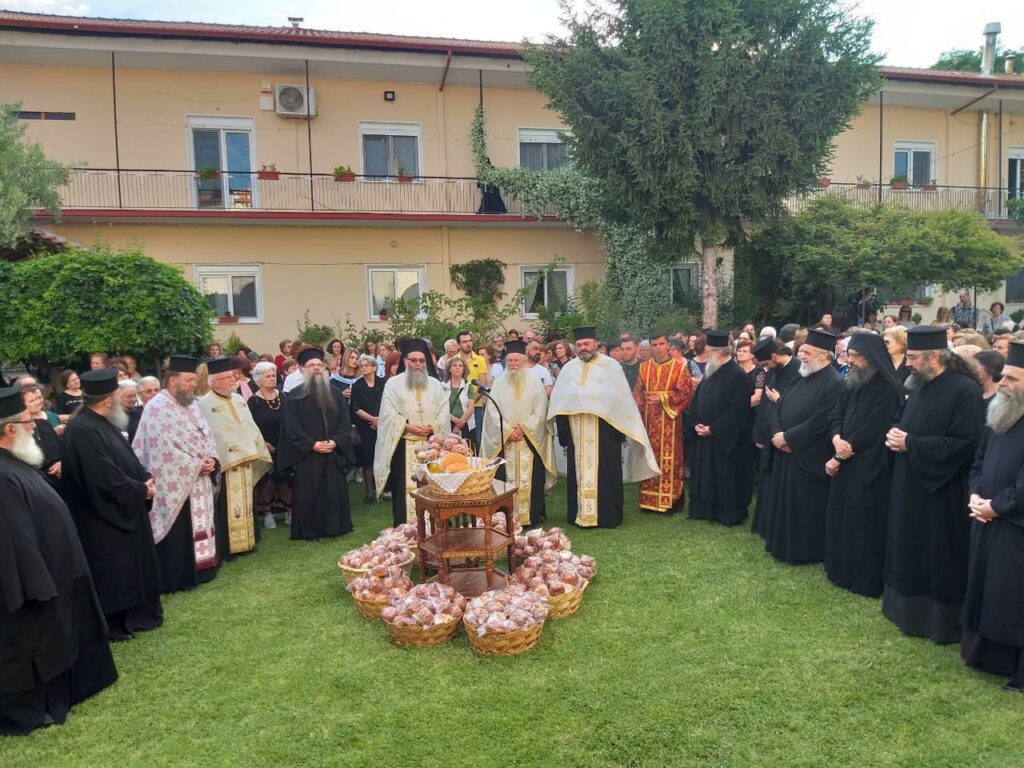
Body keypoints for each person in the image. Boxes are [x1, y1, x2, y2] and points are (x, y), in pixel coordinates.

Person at [0, 386, 119, 736]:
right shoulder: (3, 477)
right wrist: (38, 585)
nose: (35, 426)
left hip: (60, 575)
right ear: (9, 430)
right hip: (35, 591)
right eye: (27, 421)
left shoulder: (14, 464)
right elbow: (13, 539)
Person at [884, 326, 983, 644]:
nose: (908, 364)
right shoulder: (920, 384)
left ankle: (938, 622)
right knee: (907, 546)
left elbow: (964, 443)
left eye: (913, 358)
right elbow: (906, 419)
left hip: (941, 491)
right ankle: (905, 612)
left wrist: (911, 443)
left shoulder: (965, 391)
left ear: (935, 356)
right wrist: (897, 434)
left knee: (937, 554)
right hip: (909, 483)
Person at [62, 368, 161, 640]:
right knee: (114, 571)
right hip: (103, 517)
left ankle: (139, 614)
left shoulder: (104, 422)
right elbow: (102, 478)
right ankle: (118, 623)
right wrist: (140, 490)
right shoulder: (82, 430)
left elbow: (126, 458)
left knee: (133, 566)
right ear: (107, 400)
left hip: (126, 507)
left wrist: (145, 479)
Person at [549, 327, 659, 529]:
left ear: (595, 344)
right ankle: (579, 513)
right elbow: (560, 399)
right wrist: (564, 431)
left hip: (605, 432)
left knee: (607, 474)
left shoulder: (611, 366)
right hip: (578, 430)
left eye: (587, 344)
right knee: (578, 474)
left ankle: (608, 516)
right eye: (580, 345)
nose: (584, 348)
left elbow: (621, 399)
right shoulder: (568, 369)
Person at [961, 341, 1024, 691]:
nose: (1003, 384)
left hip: (1014, 524)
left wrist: (996, 506)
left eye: (1013, 379)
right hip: (987, 517)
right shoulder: (1002, 413)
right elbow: (979, 460)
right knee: (989, 590)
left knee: (1014, 597)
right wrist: (975, 495)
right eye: (1004, 377)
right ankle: (987, 655)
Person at [823, 333, 905, 597]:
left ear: (871, 357)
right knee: (842, 517)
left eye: (857, 357)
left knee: (864, 522)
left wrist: (842, 452)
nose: (852, 361)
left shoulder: (889, 389)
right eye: (851, 356)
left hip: (869, 465)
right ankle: (839, 570)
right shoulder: (853, 381)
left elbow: (872, 429)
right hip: (845, 458)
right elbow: (837, 412)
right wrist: (836, 438)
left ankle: (863, 578)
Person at [132, 356, 222, 593]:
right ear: (172, 381)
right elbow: (162, 450)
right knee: (180, 531)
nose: (194, 384)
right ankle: (180, 575)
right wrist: (195, 465)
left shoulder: (192, 403)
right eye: (189, 380)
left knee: (201, 523)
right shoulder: (156, 408)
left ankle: (204, 568)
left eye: (194, 380)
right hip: (175, 481)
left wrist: (212, 458)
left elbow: (207, 435)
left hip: (200, 478)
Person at [760, 329, 844, 564]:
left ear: (824, 356)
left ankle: (804, 552)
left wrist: (789, 438)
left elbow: (821, 420)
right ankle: (781, 546)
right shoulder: (801, 375)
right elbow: (780, 406)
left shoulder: (834, 383)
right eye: (801, 351)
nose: (802, 356)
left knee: (804, 506)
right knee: (785, 502)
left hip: (809, 454)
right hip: (786, 451)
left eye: (807, 352)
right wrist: (778, 433)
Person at [276, 348, 356, 539]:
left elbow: (345, 423)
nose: (316, 369)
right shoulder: (294, 396)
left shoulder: (336, 394)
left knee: (333, 491)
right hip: (308, 455)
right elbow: (291, 428)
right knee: (308, 494)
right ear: (302, 370)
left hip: (332, 453)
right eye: (311, 366)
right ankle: (309, 530)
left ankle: (335, 527)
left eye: (319, 365)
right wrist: (312, 444)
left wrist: (336, 442)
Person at [198, 357, 272, 556]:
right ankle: (228, 548)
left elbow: (250, 427)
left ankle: (248, 542)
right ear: (214, 381)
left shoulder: (239, 400)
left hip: (246, 460)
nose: (233, 381)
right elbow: (209, 434)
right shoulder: (204, 404)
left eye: (233, 377)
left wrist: (257, 448)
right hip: (225, 465)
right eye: (228, 377)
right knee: (225, 505)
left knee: (248, 501)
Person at [480, 340, 557, 527]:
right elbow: (492, 412)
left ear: (523, 361)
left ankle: (531, 516)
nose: (513, 364)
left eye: (517, 360)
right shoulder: (498, 383)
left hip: (528, 440)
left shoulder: (534, 382)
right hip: (505, 441)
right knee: (503, 478)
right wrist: (507, 430)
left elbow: (540, 410)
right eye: (510, 360)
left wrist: (523, 428)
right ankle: (505, 517)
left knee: (532, 479)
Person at [374, 339, 449, 526]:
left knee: (434, 489)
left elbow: (443, 410)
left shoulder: (434, 384)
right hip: (404, 445)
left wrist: (433, 426)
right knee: (403, 490)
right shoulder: (393, 384)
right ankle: (404, 529)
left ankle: (435, 528)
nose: (417, 364)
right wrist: (407, 426)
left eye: (421, 361)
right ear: (405, 361)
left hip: (432, 446)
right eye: (413, 360)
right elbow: (387, 413)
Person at [684, 331, 754, 526]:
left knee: (725, 476)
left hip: (724, 438)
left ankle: (726, 513)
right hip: (703, 435)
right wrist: (696, 422)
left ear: (719, 352)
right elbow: (697, 401)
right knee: (705, 475)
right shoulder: (711, 370)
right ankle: (704, 509)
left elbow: (738, 411)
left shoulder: (737, 375)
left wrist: (713, 428)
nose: (704, 355)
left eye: (707, 351)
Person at [633, 332, 694, 514]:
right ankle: (649, 500)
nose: (658, 348)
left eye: (661, 344)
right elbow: (638, 392)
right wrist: (637, 413)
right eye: (655, 344)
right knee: (650, 459)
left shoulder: (679, 368)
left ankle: (669, 501)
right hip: (649, 421)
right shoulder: (644, 367)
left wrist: (663, 397)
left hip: (670, 421)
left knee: (670, 461)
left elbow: (686, 393)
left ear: (668, 346)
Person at [750, 340, 799, 539]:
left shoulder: (797, 370)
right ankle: (765, 524)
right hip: (769, 432)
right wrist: (760, 433)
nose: (765, 369)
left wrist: (780, 400)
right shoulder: (773, 371)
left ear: (774, 357)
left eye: (766, 364)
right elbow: (763, 405)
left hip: (785, 435)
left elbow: (798, 404)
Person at [350, 354, 384, 504]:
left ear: (374, 367)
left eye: (366, 365)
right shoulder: (357, 386)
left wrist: (380, 420)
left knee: (384, 458)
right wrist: (372, 419)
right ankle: (369, 492)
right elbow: (355, 408)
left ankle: (384, 488)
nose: (363, 368)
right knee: (368, 459)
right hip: (366, 427)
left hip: (383, 425)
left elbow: (388, 404)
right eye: (361, 366)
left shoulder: (384, 383)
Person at [442, 357, 475, 444]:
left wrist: (459, 424)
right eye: (454, 365)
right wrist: (456, 421)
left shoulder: (468, 386)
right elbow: (441, 408)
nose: (457, 368)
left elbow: (471, 408)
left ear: (463, 369)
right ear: (449, 369)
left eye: (460, 366)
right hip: (447, 423)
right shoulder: (442, 386)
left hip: (465, 425)